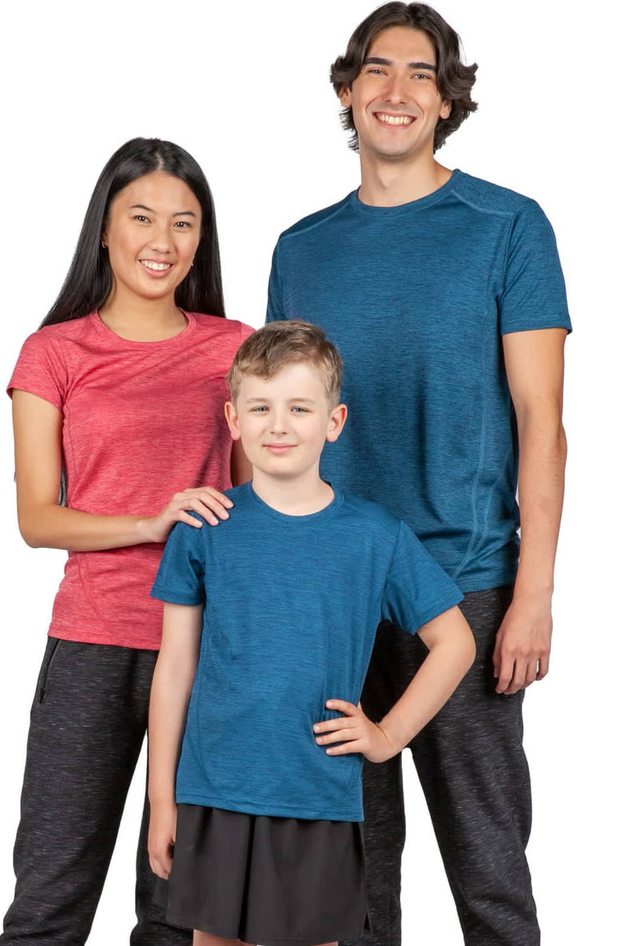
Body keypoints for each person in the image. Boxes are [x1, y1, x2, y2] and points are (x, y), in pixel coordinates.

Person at [266, 2, 571, 946]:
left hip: (464, 585)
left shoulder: (506, 226)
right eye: (378, 72)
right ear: (349, 90)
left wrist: (533, 592)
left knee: (488, 869)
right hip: (332, 591)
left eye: (421, 75)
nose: (396, 93)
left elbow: (542, 423)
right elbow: (274, 432)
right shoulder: (300, 248)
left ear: (447, 101)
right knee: (351, 875)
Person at [0, 137, 253, 946]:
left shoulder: (233, 348)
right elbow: (38, 516)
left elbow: (259, 502)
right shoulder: (54, 353)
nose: (164, 241)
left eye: (184, 223)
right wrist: (150, 522)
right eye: (142, 217)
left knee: (181, 904)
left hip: (208, 648)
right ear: (104, 229)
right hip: (93, 641)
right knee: (49, 895)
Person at [147, 319, 475, 946]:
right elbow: (175, 667)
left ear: (334, 420)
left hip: (317, 791)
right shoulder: (204, 527)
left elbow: (455, 642)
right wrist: (163, 798)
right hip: (216, 789)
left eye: (299, 407)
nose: (279, 425)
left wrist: (387, 735)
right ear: (233, 418)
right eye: (261, 407)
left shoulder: (375, 534)